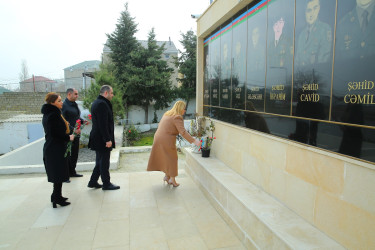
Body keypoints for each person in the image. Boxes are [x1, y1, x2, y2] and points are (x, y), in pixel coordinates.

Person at [147, 101, 202, 187]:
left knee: (166, 157)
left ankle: (167, 176)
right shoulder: (177, 117)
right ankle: (172, 179)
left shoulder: (167, 114)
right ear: (180, 109)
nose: (185, 111)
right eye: (184, 109)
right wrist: (194, 141)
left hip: (158, 137)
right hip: (166, 139)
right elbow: (183, 132)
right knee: (173, 158)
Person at [41, 92, 75, 208]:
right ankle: (57, 197)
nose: (62, 102)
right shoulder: (53, 115)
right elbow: (55, 133)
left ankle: (56, 195)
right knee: (58, 173)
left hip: (54, 147)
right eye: (59, 101)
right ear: (52, 103)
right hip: (55, 148)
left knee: (58, 173)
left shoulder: (51, 113)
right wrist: (68, 137)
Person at [87, 85, 120, 190]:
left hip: (98, 138)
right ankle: (106, 183)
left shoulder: (98, 102)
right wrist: (107, 139)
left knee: (99, 161)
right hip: (101, 139)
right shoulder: (102, 104)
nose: (112, 95)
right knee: (104, 162)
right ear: (106, 93)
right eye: (111, 93)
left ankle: (93, 181)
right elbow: (103, 124)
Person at [295, 0, 332, 67]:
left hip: (316, 75)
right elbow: (297, 62)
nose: (311, 14)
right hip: (300, 75)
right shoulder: (302, 35)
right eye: (308, 10)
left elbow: (323, 63)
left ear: (319, 9)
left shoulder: (324, 29)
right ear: (305, 13)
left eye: (315, 9)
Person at [62, 88, 87, 179]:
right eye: (75, 94)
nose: (77, 96)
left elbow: (76, 117)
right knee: (67, 154)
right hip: (69, 134)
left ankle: (72, 171)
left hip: (76, 133)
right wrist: (73, 129)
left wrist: (82, 121)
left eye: (77, 94)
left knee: (75, 153)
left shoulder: (74, 104)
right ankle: (66, 174)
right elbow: (63, 121)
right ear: (69, 94)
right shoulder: (64, 106)